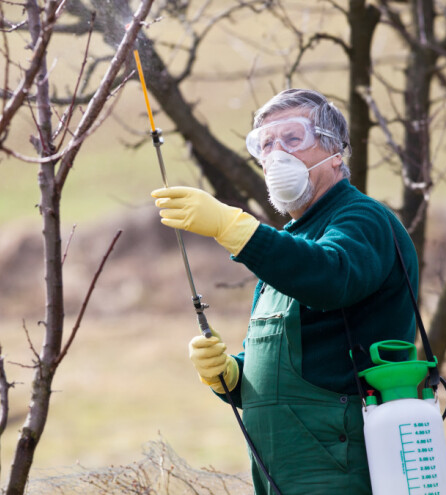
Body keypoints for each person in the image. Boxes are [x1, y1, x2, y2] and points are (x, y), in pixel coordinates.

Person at [151, 88, 419, 494]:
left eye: (293, 139)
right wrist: (233, 376)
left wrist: (232, 226)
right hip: (284, 469)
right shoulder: (291, 240)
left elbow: (331, 277)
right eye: (266, 145)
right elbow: (297, 362)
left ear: (335, 152)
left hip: (343, 464)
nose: (276, 156)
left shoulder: (362, 218)